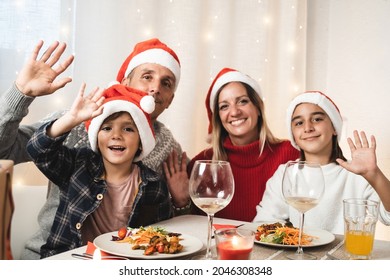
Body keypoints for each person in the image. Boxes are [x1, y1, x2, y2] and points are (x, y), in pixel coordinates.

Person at [0, 38, 186, 259]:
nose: (155, 88)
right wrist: (21, 94)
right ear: (126, 80)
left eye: (166, 83)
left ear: (170, 99)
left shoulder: (168, 146)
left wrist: (183, 203)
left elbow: (167, 229)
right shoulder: (74, 120)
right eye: (147, 76)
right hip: (56, 256)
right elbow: (6, 150)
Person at [26, 83, 172, 258]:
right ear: (96, 136)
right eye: (107, 128)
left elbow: (162, 237)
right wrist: (70, 119)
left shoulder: (154, 185)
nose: (116, 135)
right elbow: (38, 150)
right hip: (67, 260)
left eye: (128, 129)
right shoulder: (77, 165)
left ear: (141, 141)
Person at [165, 68, 300, 222]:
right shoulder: (202, 164)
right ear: (218, 118)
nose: (234, 112)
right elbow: (189, 230)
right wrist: (182, 203)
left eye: (242, 101)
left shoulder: (291, 154)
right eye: (224, 106)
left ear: (258, 108)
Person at [253, 91, 390, 233]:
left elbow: (388, 217)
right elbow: (264, 222)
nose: (308, 128)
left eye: (317, 119)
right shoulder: (285, 173)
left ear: (334, 128)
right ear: (293, 134)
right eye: (299, 123)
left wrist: (374, 174)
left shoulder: (357, 173)